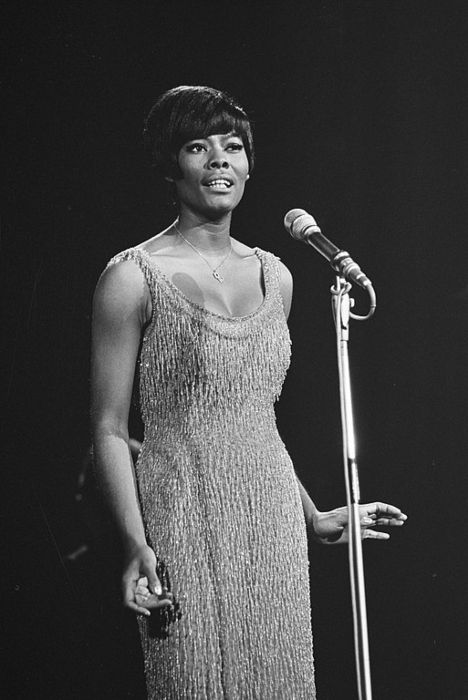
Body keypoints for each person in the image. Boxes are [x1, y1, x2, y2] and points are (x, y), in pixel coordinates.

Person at [90, 85, 407, 699]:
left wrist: (313, 516)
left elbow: (255, 419)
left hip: (272, 525)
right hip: (181, 510)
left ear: (248, 165)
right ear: (169, 164)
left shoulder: (277, 276)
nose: (219, 161)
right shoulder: (131, 277)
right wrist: (135, 542)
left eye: (232, 147)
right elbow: (107, 426)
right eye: (197, 147)